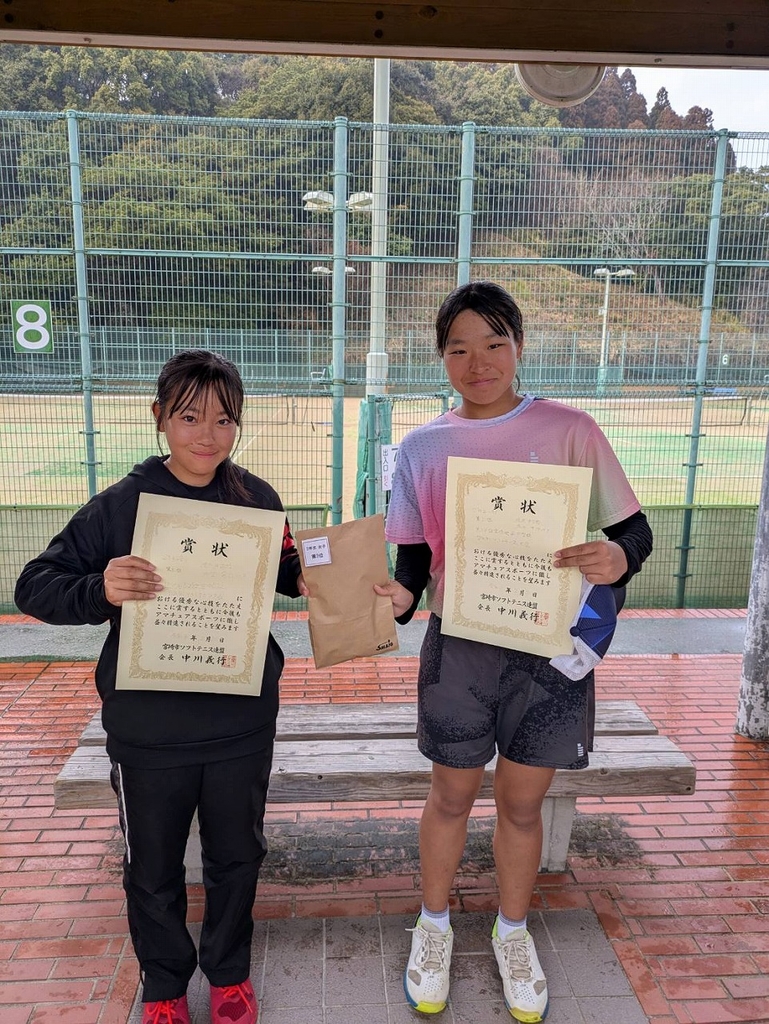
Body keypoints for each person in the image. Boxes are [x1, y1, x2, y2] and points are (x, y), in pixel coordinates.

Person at [375, 282, 652, 1022]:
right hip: (459, 648)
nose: (478, 361)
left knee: (521, 807)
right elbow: (409, 565)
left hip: (549, 648)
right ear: (440, 357)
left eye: (494, 343)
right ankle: (431, 928)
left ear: (518, 347)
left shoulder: (570, 429)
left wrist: (613, 559)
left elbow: (634, 533)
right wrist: (398, 602)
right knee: (450, 796)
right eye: (459, 347)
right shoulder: (422, 446)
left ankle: (511, 929)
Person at [15, 349, 309, 1024]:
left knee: (238, 856)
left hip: (239, 722)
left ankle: (230, 974)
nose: (207, 434)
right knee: (151, 869)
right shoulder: (121, 506)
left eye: (224, 419)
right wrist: (100, 587)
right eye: (189, 416)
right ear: (159, 418)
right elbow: (34, 585)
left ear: (239, 426)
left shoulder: (256, 498)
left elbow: (290, 568)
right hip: (149, 731)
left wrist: (328, 575)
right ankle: (166, 985)